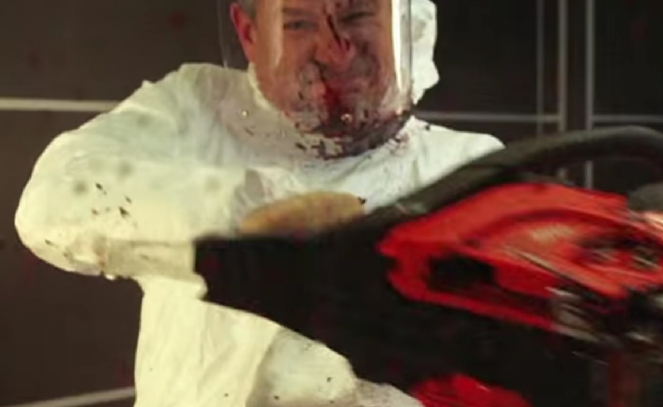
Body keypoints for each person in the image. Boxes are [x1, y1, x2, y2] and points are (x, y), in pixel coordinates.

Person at [14, 0, 503, 406]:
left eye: (357, 16)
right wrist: (249, 217)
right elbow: (55, 197)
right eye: (299, 24)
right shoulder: (195, 112)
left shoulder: (467, 165)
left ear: (407, 22)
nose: (334, 51)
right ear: (250, 34)